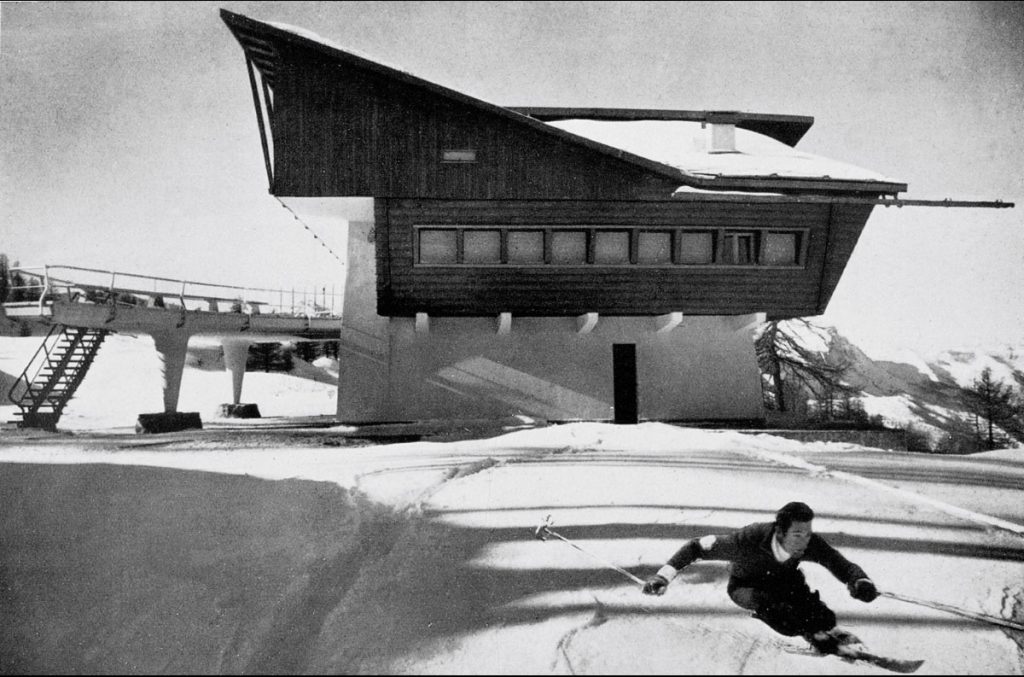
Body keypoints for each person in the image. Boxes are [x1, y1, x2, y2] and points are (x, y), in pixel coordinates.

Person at [642, 501, 879, 655]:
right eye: (797, 534)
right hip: (747, 587)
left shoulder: (808, 543)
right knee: (782, 615)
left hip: (787, 582)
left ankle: (823, 630)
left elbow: (837, 562)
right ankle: (811, 633)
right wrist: (663, 577)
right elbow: (696, 547)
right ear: (779, 532)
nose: (804, 541)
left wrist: (859, 582)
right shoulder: (748, 540)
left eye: (808, 533)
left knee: (822, 616)